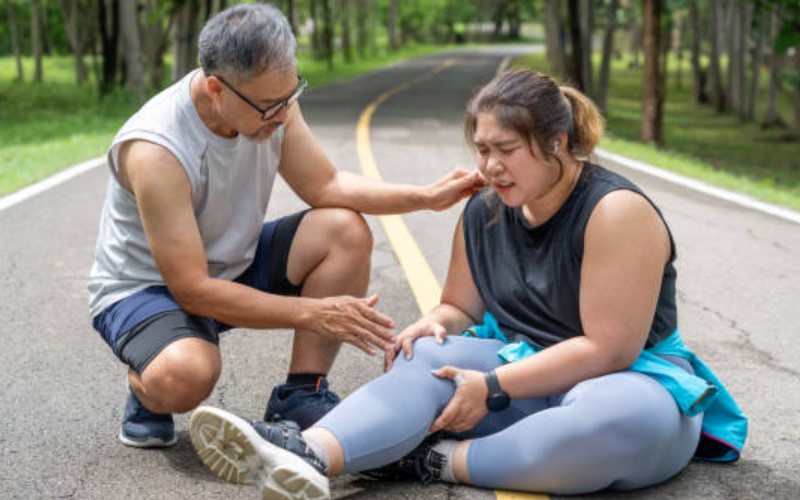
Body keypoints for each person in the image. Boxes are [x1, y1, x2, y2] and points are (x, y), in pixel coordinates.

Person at [187, 69, 748, 499]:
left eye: (507, 150)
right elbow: (458, 305)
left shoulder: (615, 211)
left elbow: (609, 349)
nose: (492, 166)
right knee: (427, 353)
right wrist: (436, 324)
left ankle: (429, 460)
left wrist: (494, 386)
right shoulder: (483, 211)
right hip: (523, 372)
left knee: (614, 422)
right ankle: (306, 454)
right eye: (482, 150)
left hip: (626, 383)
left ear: (556, 142)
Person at [88, 3, 483, 449]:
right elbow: (192, 289)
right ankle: (147, 386)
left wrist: (424, 198)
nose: (282, 114)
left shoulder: (271, 102)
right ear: (216, 88)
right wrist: (318, 313)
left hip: (232, 260)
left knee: (344, 229)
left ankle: (301, 393)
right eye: (270, 106)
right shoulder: (156, 149)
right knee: (188, 376)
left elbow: (327, 185)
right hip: (149, 290)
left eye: (290, 95)